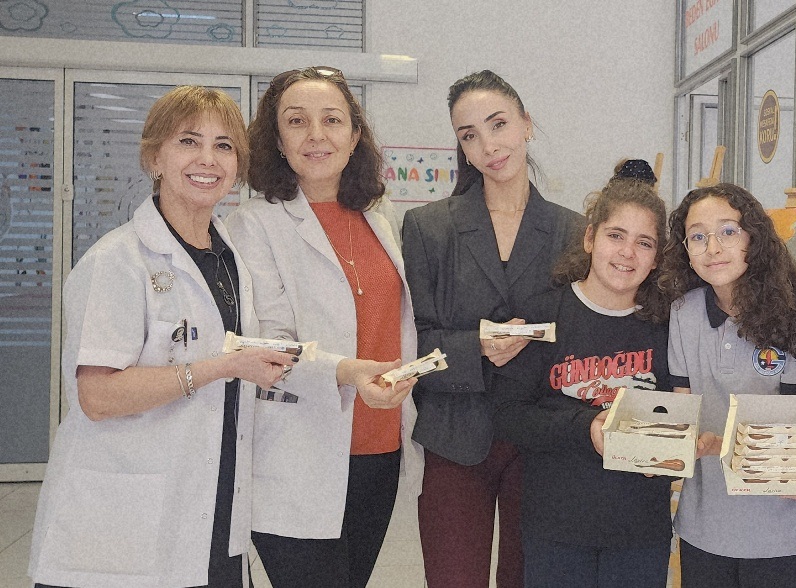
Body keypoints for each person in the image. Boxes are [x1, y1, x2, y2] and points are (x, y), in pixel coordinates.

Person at [28, 86, 296, 587]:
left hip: (213, 506)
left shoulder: (230, 257)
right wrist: (221, 367)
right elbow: (97, 396)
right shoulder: (118, 260)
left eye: (223, 145)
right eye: (188, 141)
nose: (207, 159)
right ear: (154, 157)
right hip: (122, 518)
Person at [224, 66, 421, 588]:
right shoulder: (253, 223)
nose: (316, 135)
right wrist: (349, 371)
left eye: (332, 120)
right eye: (297, 121)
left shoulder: (379, 216)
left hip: (379, 447)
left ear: (354, 137)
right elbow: (268, 344)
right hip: (297, 452)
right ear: (276, 140)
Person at [401, 70, 582, 588]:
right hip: (454, 433)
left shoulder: (572, 231)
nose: (488, 146)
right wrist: (473, 347)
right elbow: (412, 345)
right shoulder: (429, 228)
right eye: (469, 135)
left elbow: (581, 339)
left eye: (498, 124)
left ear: (527, 125)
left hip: (542, 439)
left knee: (531, 577)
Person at [492, 176, 674, 588]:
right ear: (590, 238)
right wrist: (585, 427)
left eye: (644, 243)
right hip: (556, 529)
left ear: (657, 258)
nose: (627, 252)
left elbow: (679, 415)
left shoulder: (666, 326)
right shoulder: (543, 315)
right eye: (615, 235)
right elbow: (507, 415)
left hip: (640, 533)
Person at [659, 182, 796, 588]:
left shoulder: (794, 312)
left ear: (753, 236)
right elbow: (683, 412)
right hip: (704, 527)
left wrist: (721, 443)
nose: (712, 248)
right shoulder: (682, 314)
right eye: (697, 236)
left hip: (782, 531)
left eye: (727, 231)